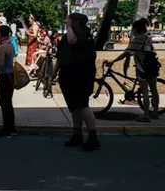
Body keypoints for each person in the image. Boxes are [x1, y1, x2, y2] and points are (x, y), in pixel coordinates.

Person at [54, 13, 99, 151]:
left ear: (75, 22)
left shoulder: (85, 36)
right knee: (74, 107)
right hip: (68, 75)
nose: (66, 22)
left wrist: (68, 27)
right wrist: (53, 73)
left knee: (82, 105)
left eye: (68, 20)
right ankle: (77, 134)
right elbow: (60, 57)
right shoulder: (66, 38)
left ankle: (93, 137)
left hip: (82, 75)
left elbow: (74, 41)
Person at [109, 18, 160, 122]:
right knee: (154, 90)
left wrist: (113, 61)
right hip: (153, 67)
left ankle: (146, 115)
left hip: (142, 68)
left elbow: (126, 53)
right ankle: (155, 112)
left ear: (135, 29)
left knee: (144, 92)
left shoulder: (137, 40)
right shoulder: (148, 38)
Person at [0, 25, 16, 138]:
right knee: (8, 103)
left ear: (0, 34)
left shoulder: (2, 47)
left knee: (4, 103)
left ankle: (7, 129)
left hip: (4, 76)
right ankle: (11, 127)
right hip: (11, 75)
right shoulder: (10, 45)